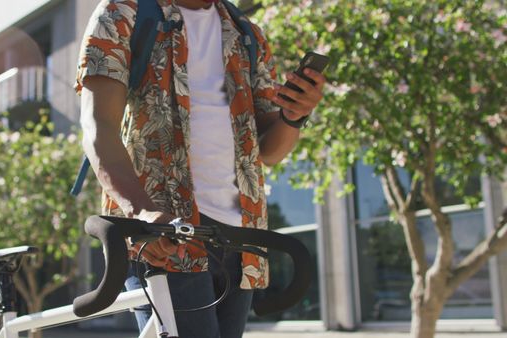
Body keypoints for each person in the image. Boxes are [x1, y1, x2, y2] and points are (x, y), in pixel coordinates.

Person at [75, 0, 325, 337]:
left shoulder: (246, 33)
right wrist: (142, 211)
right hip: (165, 235)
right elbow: (98, 127)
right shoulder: (124, 13)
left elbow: (268, 150)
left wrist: (294, 116)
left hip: (240, 241)